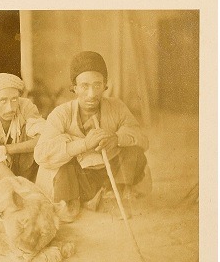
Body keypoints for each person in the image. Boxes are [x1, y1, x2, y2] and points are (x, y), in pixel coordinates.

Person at [33, 51, 151, 222]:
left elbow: (142, 139)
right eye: (84, 86)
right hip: (80, 175)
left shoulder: (116, 106)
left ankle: (111, 196)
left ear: (105, 85)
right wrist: (84, 144)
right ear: (74, 87)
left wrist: (116, 138)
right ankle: (74, 200)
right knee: (63, 163)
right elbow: (41, 154)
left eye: (97, 85)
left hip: (107, 171)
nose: (91, 94)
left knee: (135, 153)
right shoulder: (61, 114)